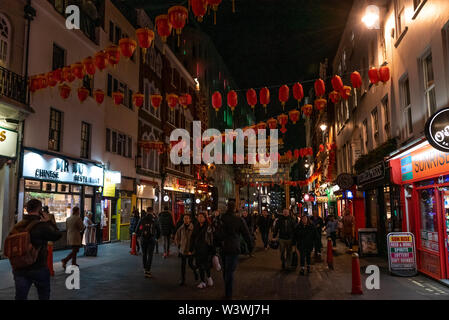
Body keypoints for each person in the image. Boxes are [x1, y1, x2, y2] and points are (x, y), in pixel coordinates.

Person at [10, 199, 61, 300]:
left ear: (27, 209)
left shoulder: (17, 226)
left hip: (20, 267)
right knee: (43, 295)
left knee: (20, 296)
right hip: (38, 267)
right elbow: (57, 235)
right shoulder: (42, 226)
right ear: (40, 210)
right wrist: (49, 221)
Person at [214, 200, 252, 300]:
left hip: (223, 246)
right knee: (230, 271)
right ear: (235, 208)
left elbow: (217, 232)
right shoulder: (238, 219)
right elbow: (246, 233)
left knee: (225, 270)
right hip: (234, 247)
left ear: (227, 207)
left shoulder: (222, 218)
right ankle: (228, 294)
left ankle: (227, 291)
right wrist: (250, 246)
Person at [190, 212, 214, 289]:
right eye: (199, 217)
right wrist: (191, 248)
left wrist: (212, 250)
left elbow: (211, 239)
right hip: (198, 249)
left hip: (206, 249)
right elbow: (192, 238)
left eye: (201, 217)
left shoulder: (208, 227)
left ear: (205, 218)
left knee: (206, 265)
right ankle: (202, 281)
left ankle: (209, 277)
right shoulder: (196, 226)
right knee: (199, 265)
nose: (200, 218)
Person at [136, 208, 161, 278]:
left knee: (144, 254)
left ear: (147, 211)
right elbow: (159, 230)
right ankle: (148, 270)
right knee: (150, 255)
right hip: (151, 239)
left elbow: (137, 229)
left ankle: (144, 268)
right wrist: (157, 238)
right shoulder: (154, 219)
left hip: (143, 239)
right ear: (152, 211)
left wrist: (139, 236)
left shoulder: (142, 219)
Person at [175, 214, 198, 286]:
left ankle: (195, 273)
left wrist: (194, 248)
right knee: (183, 265)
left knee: (191, 264)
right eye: (184, 218)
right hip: (183, 249)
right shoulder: (181, 228)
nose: (186, 220)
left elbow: (196, 239)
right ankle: (183, 280)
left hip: (190, 250)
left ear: (190, 219)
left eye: (187, 218)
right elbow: (177, 237)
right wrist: (179, 245)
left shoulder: (193, 228)